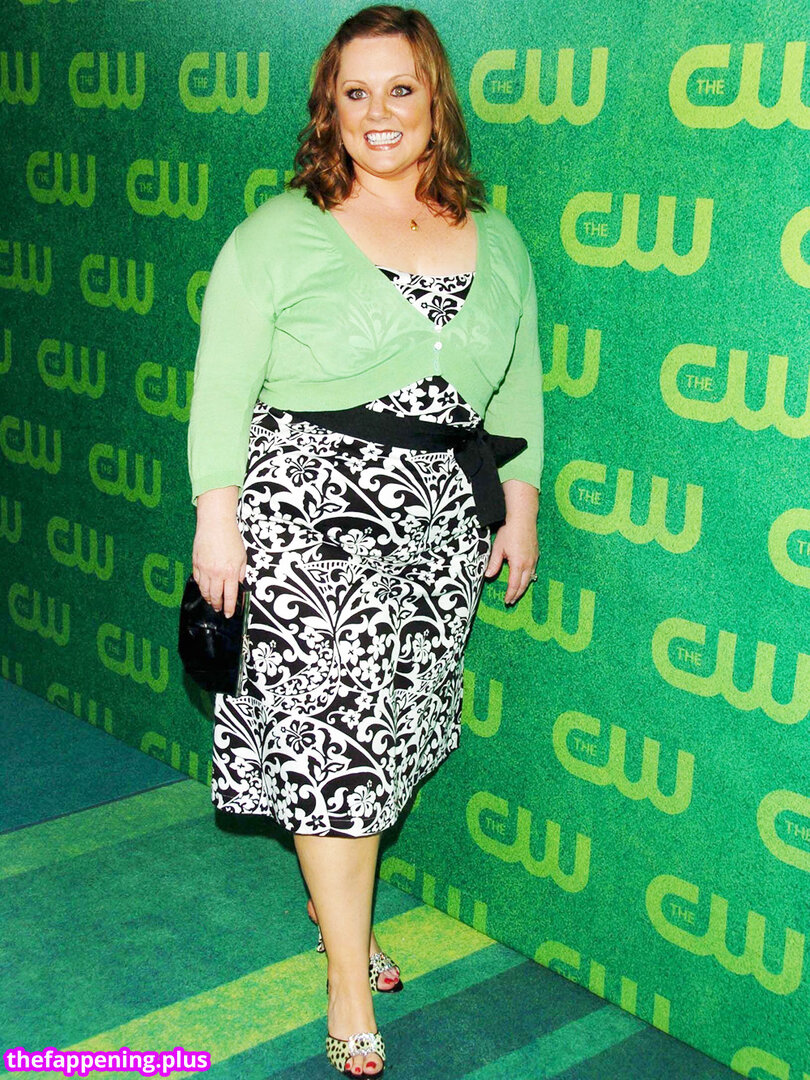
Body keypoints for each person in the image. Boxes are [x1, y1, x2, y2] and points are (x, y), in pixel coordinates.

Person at [187, 4, 544, 1075]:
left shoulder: (497, 237)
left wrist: (520, 501)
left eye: (400, 88)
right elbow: (222, 386)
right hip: (308, 521)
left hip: (440, 522)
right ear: (328, 109)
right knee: (332, 753)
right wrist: (217, 519)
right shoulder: (278, 232)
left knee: (388, 741)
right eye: (355, 92)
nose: (378, 112)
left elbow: (518, 380)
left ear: (436, 99)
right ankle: (349, 979)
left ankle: (333, 910)